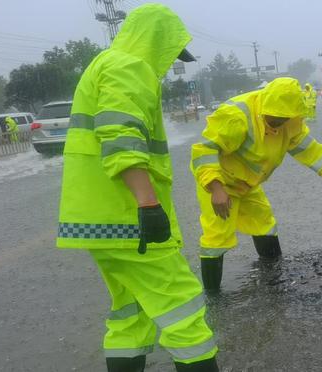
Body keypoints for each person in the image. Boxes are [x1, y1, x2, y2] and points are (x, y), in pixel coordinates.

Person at [56, 4, 218, 372]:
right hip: (129, 216)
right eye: (172, 51)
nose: (170, 61)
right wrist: (148, 203)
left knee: (130, 310)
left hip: (97, 221)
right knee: (183, 304)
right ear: (157, 40)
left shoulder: (106, 64)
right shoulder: (130, 66)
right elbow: (120, 134)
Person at [190, 77, 322, 292]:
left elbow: (308, 148)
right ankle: (212, 296)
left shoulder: (291, 120)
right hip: (220, 182)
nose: (278, 123)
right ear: (265, 105)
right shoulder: (237, 115)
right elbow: (204, 150)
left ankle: (273, 276)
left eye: (283, 119)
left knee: (264, 223)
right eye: (274, 118)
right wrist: (216, 189)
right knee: (218, 235)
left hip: (247, 183)